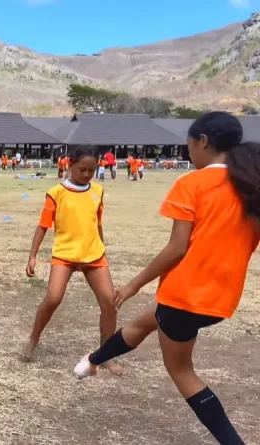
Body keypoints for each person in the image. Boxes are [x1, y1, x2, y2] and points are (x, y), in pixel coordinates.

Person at [73, 112, 260, 445]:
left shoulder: (193, 182)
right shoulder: (251, 185)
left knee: (183, 372)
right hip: (220, 301)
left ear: (202, 141)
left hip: (185, 296)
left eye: (189, 144)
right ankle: (91, 361)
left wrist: (133, 284)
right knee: (148, 321)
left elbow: (176, 249)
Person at [22, 145, 121, 374]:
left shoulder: (98, 191)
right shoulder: (56, 193)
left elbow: (97, 224)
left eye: (91, 170)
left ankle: (105, 354)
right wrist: (33, 256)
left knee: (109, 302)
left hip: (94, 254)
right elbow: (43, 226)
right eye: (82, 169)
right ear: (70, 165)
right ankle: (33, 339)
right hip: (65, 255)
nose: (86, 175)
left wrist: (102, 249)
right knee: (53, 298)